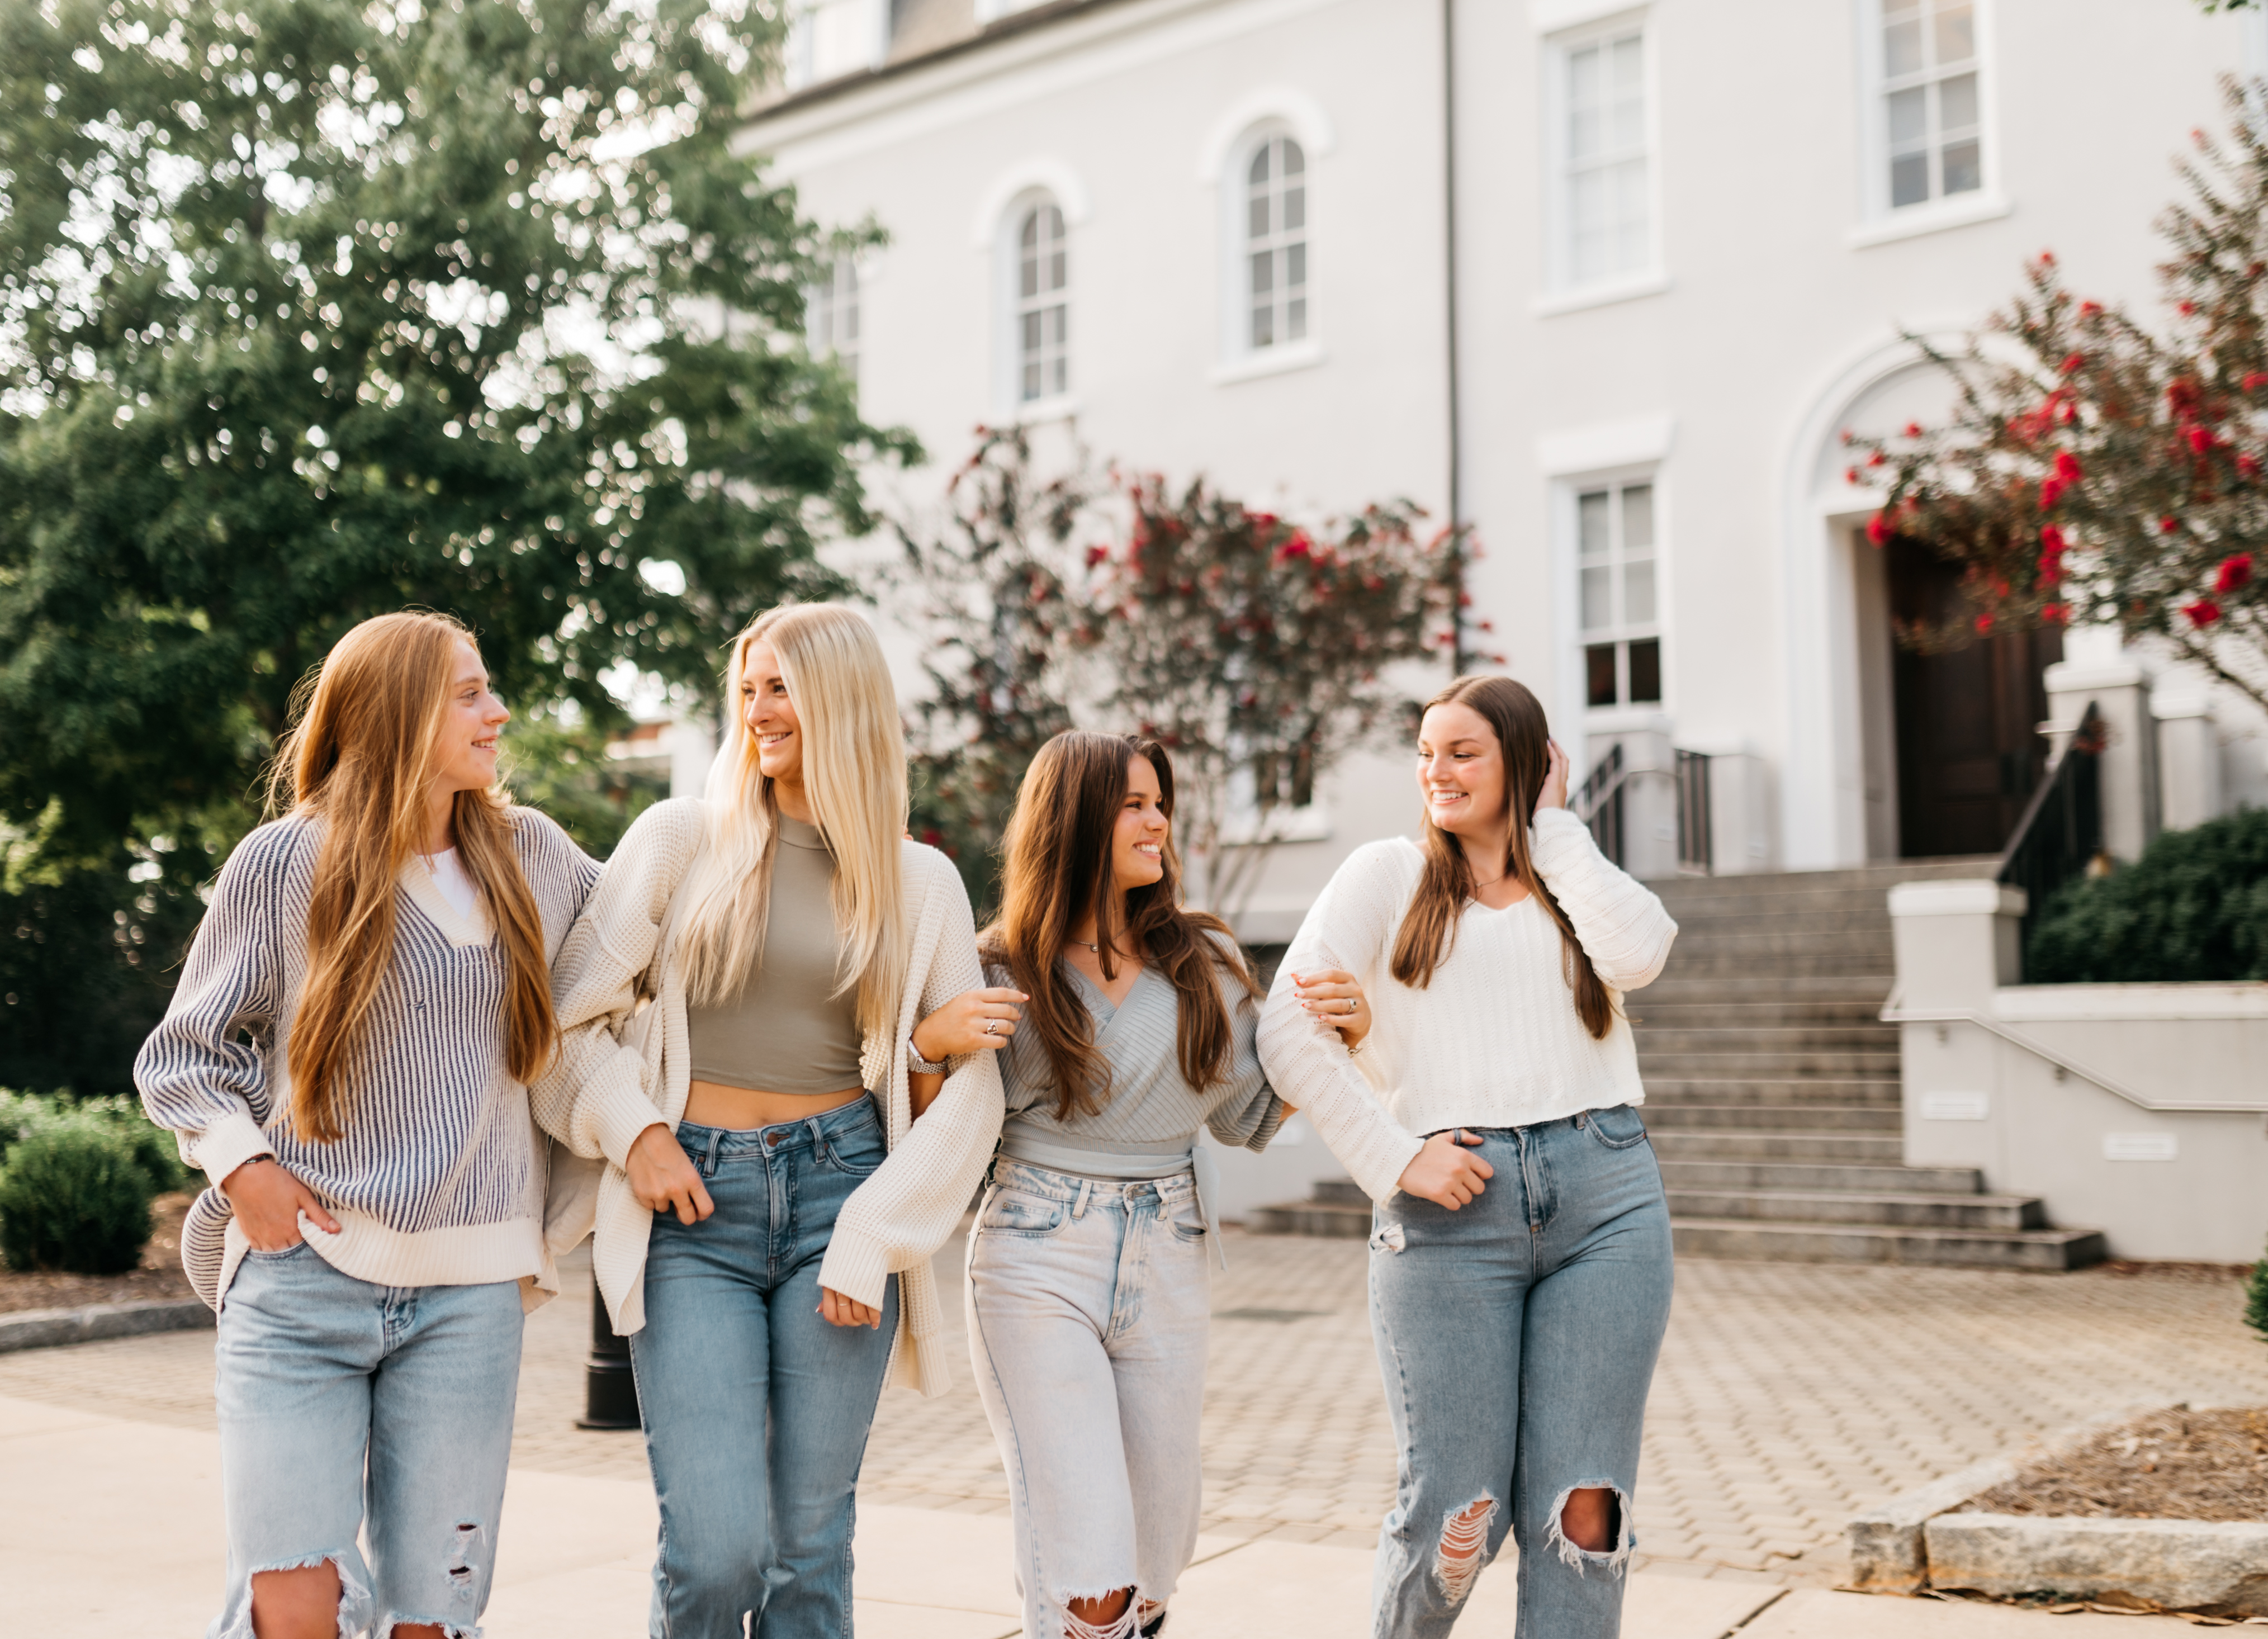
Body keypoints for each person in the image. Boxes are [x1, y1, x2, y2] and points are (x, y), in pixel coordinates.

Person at [533, 602, 1016, 1637]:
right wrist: (639, 1132)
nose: (758, 708)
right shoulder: (678, 841)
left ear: (841, 699)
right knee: (716, 1552)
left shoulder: (917, 880)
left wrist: (873, 1235)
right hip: (693, 1208)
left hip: (841, 1198)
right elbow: (566, 1016)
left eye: (781, 685)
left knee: (808, 1553)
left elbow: (971, 1096)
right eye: (748, 687)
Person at [135, 611, 600, 1639]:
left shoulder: (533, 856)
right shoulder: (284, 862)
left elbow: (666, 945)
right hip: (302, 1282)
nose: (499, 712)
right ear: (397, 714)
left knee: (429, 1617)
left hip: (469, 1296)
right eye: (470, 693)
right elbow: (181, 1051)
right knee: (288, 1601)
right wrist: (241, 1164)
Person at [1257, 674, 1679, 1639]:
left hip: (1606, 1196)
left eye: (1464, 751)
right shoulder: (1384, 875)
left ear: (1522, 766)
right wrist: (1396, 1156)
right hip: (1451, 1217)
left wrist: (1556, 828)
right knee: (1459, 1511)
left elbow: (1644, 952)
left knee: (1585, 1510)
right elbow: (1286, 1029)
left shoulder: (1572, 881)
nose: (1436, 771)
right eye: (1426, 751)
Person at [965, 731, 1366, 1639]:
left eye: (1161, 802)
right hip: (1035, 1252)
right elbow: (944, 1122)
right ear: (1074, 819)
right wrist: (927, 1045)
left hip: (1170, 1246)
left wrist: (1345, 1034)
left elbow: (1251, 1113)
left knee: (1151, 1563)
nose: (1159, 821)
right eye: (1135, 803)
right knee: (1090, 1571)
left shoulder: (1203, 965)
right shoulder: (999, 968)